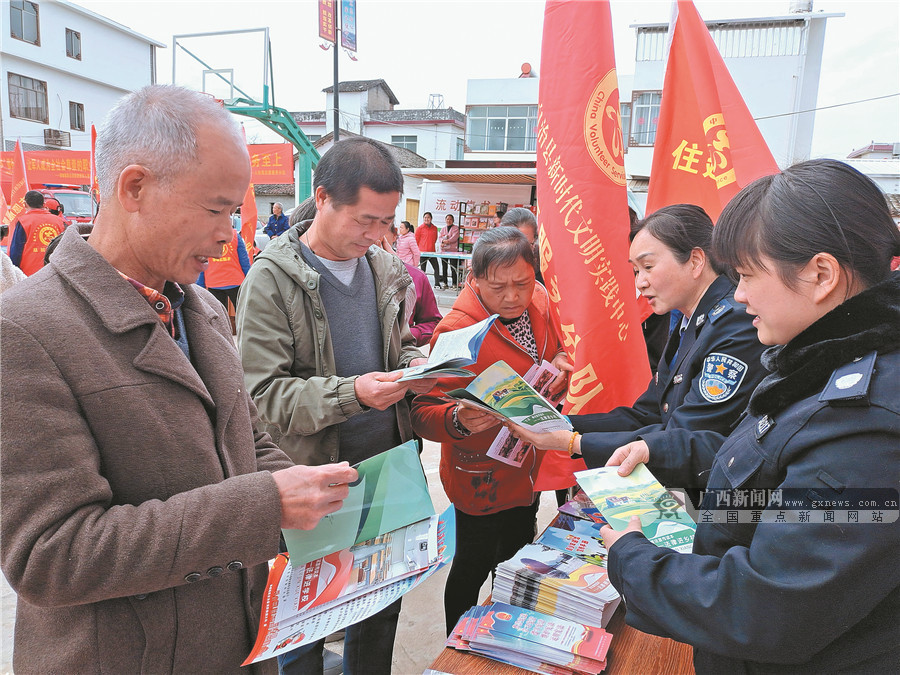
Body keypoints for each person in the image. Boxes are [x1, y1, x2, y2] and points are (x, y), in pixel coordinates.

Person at [0, 85, 358, 674]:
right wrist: (264, 505)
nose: (229, 233)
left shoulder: (199, 308)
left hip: (238, 644)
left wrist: (324, 496)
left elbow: (247, 441)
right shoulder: (27, 331)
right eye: (216, 208)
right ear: (135, 187)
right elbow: (51, 555)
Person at [599, 159, 900, 673]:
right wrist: (663, 468)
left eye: (747, 275)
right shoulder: (817, 363)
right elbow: (773, 480)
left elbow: (768, 607)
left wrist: (630, 556)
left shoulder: (869, 420)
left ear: (820, 275)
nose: (737, 294)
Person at [236, 136, 434, 675]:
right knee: (308, 623)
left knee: (379, 613)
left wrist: (419, 362)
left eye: (386, 223)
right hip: (312, 479)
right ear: (322, 198)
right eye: (365, 220)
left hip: (387, 470)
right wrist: (353, 393)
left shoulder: (384, 269)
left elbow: (399, 345)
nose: (376, 236)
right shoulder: (272, 280)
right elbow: (262, 397)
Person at [509, 205, 766, 494]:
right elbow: (645, 414)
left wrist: (572, 443)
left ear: (695, 261)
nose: (640, 282)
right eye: (635, 270)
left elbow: (684, 434)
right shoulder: (690, 321)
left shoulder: (733, 323)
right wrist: (562, 423)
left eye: (648, 267)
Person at [411, 227, 572, 635]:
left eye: (522, 283)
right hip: (480, 472)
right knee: (474, 561)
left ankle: (505, 635)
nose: (513, 296)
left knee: (519, 550)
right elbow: (423, 410)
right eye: (499, 287)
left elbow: (553, 346)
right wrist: (458, 421)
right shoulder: (456, 330)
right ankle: (457, 643)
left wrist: (561, 359)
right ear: (474, 279)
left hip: (528, 464)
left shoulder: (538, 302)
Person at [8, 190, 67, 275]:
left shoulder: (23, 221)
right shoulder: (60, 222)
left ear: (25, 204)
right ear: (43, 205)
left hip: (29, 274)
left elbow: (16, 250)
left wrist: (14, 271)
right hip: (53, 273)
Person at [197, 227, 252, 310]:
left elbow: (201, 261)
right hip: (235, 280)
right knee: (241, 312)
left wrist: (200, 285)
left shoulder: (205, 237)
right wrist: (249, 279)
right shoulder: (235, 236)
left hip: (214, 282)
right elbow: (244, 261)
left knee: (219, 316)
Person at [500, 207, 543, 284]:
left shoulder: (544, 264)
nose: (518, 252)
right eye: (512, 244)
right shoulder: (489, 264)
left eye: (526, 245)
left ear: (534, 239)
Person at [416, 211, 440, 286]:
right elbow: (416, 240)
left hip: (432, 252)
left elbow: (435, 239)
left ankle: (437, 284)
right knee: (423, 270)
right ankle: (422, 284)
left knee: (436, 268)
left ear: (431, 218)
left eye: (428, 217)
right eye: (425, 217)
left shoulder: (435, 228)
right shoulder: (420, 228)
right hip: (422, 252)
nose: (426, 219)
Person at [437, 213, 460, 289]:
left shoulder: (456, 228)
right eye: (447, 219)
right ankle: (445, 283)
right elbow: (440, 237)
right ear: (445, 220)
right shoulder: (443, 229)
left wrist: (447, 241)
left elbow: (455, 237)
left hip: (453, 251)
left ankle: (454, 283)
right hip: (444, 251)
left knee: (453, 267)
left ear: (453, 220)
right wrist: (443, 241)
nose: (448, 220)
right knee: (444, 267)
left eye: (450, 219)